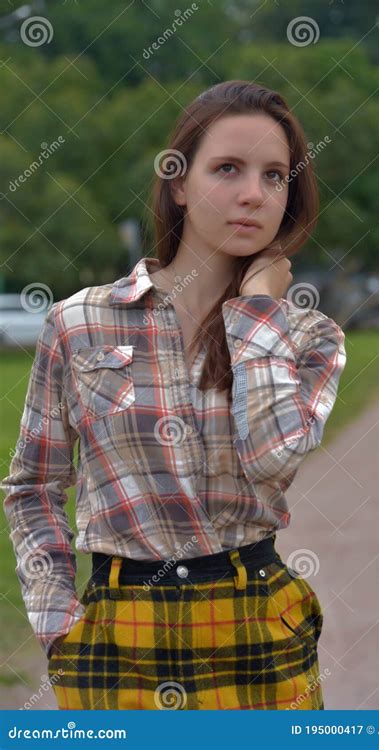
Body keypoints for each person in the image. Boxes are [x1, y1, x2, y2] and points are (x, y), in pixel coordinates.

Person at [1, 80, 347, 710]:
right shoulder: (81, 324)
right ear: (179, 183)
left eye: (275, 176)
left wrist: (258, 311)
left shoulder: (308, 336)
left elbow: (274, 456)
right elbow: (33, 484)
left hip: (256, 626)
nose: (253, 193)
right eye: (228, 169)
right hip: (115, 640)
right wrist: (56, 619)